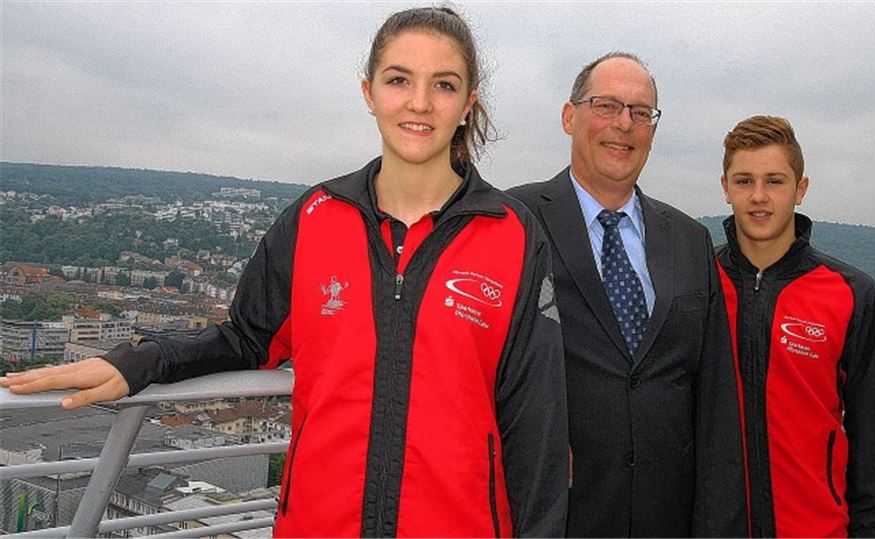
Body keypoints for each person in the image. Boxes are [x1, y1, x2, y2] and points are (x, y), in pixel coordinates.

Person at [0, 7, 569, 537]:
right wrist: (140, 361)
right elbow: (246, 336)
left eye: (443, 84)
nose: (419, 102)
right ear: (369, 94)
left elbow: (538, 427)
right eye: (399, 80)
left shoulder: (512, 235)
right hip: (318, 523)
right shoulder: (315, 218)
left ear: (468, 101)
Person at [507, 52, 746, 537]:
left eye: (641, 113)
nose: (624, 124)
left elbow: (716, 401)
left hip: (667, 518)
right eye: (606, 106)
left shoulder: (689, 240)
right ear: (569, 116)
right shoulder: (513, 220)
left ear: (653, 132)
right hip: (552, 517)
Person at [715, 115, 875, 537]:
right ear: (725, 188)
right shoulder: (696, 284)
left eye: (775, 181)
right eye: (744, 181)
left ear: (801, 188)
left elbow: (871, 435)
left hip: (816, 528)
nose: (759, 197)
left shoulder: (850, 293)